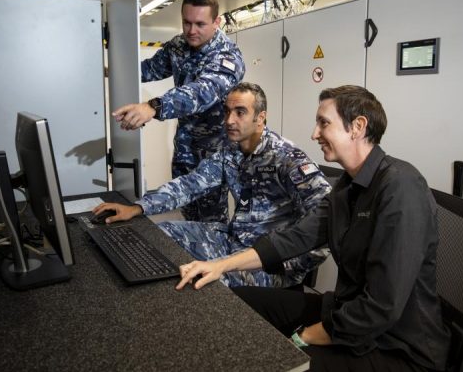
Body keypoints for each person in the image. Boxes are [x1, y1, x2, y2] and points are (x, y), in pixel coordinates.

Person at [176, 85, 451, 372]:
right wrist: (221, 266)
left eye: (324, 123)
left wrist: (305, 336)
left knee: (280, 361)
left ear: (357, 127)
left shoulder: (401, 188)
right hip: (347, 312)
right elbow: (294, 238)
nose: (314, 134)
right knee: (239, 301)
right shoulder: (347, 187)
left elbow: (383, 306)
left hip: (396, 346)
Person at [94, 83, 330, 288]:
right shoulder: (230, 151)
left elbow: (327, 224)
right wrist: (138, 208)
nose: (229, 120)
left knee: (203, 281)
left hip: (267, 263)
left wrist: (290, 267)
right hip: (233, 241)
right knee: (160, 233)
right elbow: (189, 185)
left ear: (261, 117)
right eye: (227, 111)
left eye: (240, 112)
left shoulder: (287, 159)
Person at [111, 0, 244, 223]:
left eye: (200, 24)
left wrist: (153, 106)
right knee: (187, 216)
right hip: (184, 151)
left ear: (217, 22)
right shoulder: (178, 46)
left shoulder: (228, 57)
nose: (191, 31)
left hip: (212, 158)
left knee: (210, 226)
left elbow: (202, 91)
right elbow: (149, 69)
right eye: (186, 22)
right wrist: (109, 68)